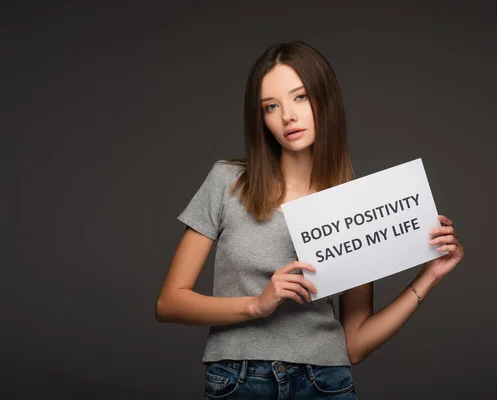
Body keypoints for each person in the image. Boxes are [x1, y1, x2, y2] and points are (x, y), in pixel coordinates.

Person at [155, 41, 465, 399]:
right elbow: (169, 303)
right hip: (240, 380)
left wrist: (429, 277)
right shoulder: (227, 181)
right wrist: (257, 304)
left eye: (300, 97)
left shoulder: (354, 203)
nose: (287, 115)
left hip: (325, 383)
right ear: (262, 118)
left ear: (325, 100)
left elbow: (356, 345)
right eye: (271, 106)